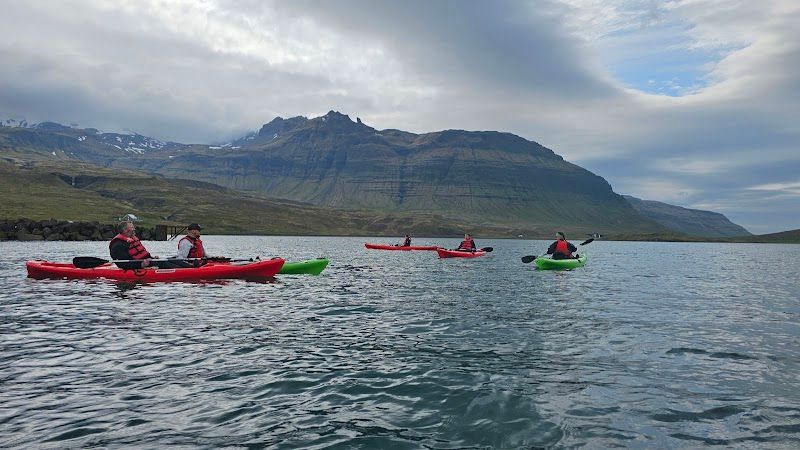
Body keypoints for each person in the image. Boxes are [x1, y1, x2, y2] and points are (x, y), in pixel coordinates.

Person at [109, 221, 184, 269]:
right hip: (139, 264)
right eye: (132, 227)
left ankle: (192, 266)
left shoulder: (132, 239)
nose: (134, 229)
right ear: (125, 230)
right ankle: (187, 271)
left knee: (173, 260)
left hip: (147, 261)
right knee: (163, 263)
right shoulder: (118, 245)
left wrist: (151, 257)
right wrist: (141, 265)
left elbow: (141, 254)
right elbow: (123, 263)